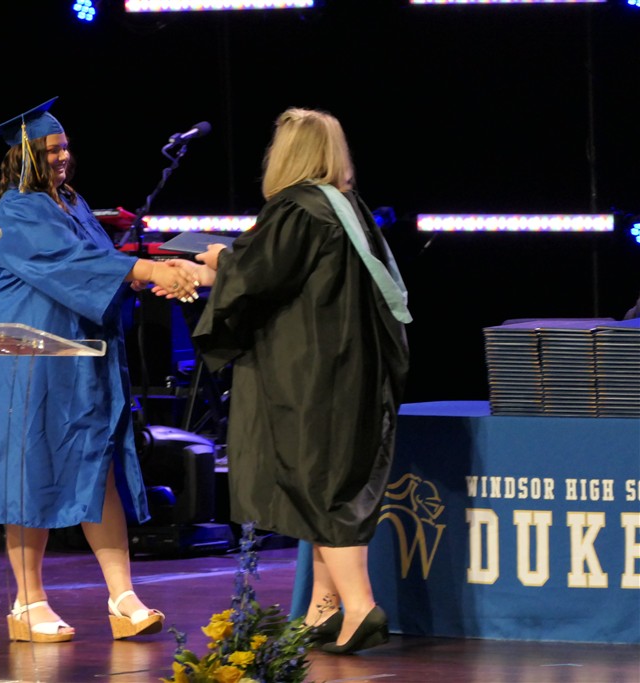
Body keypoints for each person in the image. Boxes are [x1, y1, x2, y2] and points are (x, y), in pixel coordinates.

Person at [0, 97, 197, 643]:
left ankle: (123, 598)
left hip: (80, 356)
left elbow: (102, 265)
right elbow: (73, 265)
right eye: (51, 150)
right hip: (30, 361)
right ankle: (28, 602)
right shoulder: (17, 211)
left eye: (66, 147)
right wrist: (143, 270)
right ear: (25, 157)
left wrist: (144, 273)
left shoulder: (71, 202)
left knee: (98, 466)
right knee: (28, 471)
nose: (63, 157)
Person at [182, 108, 411, 654]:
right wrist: (221, 267)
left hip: (311, 374)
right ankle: (321, 611)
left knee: (321, 486)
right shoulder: (347, 208)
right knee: (322, 482)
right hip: (352, 366)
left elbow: (255, 276)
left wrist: (219, 259)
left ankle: (360, 607)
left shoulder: (297, 208)